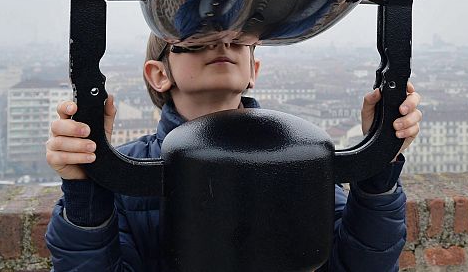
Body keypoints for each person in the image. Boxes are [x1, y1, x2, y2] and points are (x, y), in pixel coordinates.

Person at [44, 34, 422, 271]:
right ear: (159, 73)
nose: (222, 44)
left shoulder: (296, 156)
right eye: (198, 34)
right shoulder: (124, 170)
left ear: (253, 69)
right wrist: (85, 188)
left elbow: (359, 263)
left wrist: (380, 163)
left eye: (238, 40)